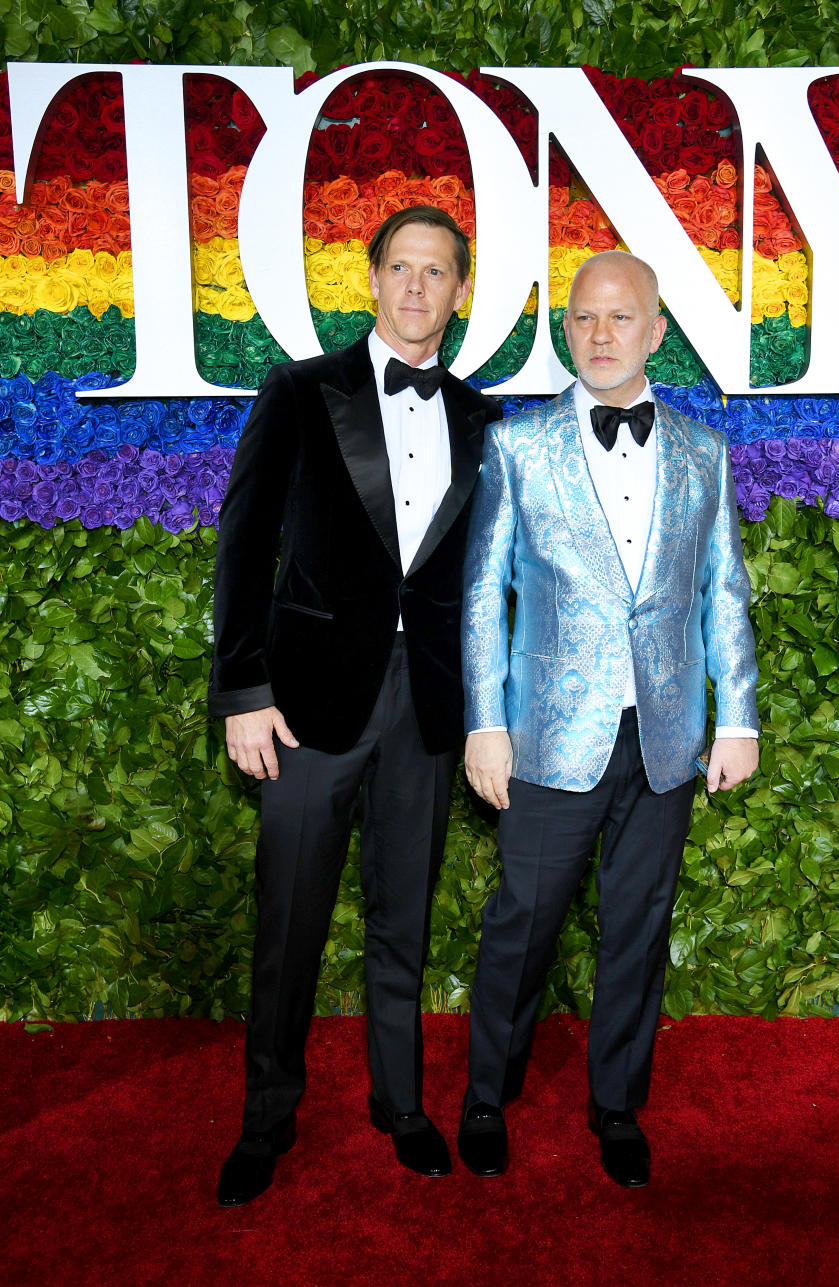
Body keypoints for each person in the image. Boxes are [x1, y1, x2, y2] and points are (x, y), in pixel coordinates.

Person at [209, 205, 501, 1205]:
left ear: (460, 293)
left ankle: (401, 1104)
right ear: (371, 278)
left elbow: (481, 581)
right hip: (301, 709)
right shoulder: (298, 392)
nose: (418, 288)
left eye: (438, 272)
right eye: (402, 268)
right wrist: (243, 690)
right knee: (289, 924)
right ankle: (266, 1120)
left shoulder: (480, 418)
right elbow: (243, 547)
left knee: (402, 921)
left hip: (423, 712)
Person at [457, 250, 759, 1188]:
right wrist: (485, 722)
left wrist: (738, 717)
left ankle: (617, 1103)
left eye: (619, 318)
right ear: (567, 329)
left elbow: (722, 591)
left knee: (638, 922)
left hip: (666, 733)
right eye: (584, 318)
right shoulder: (517, 447)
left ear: (656, 331)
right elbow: (479, 596)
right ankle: (484, 1093)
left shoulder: (705, 453)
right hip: (549, 731)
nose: (598, 334)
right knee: (525, 922)